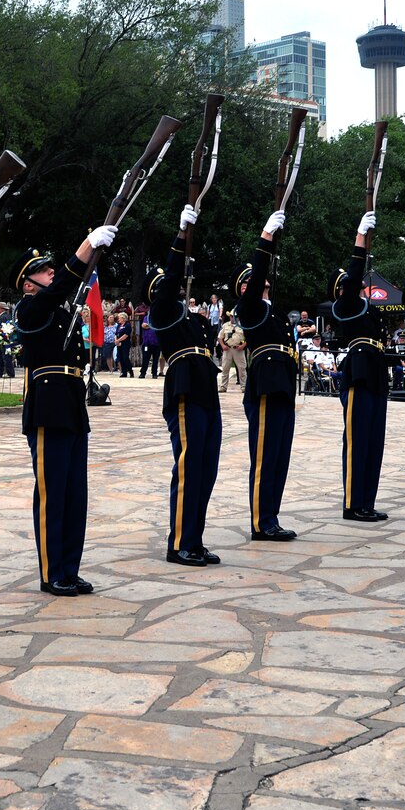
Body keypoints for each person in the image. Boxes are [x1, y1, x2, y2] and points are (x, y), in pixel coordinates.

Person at [14, 226, 111, 595]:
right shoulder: (31, 308)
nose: (50, 271)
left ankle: (70, 567)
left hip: (71, 403)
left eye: (50, 267)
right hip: (48, 406)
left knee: (74, 494)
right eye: (41, 270)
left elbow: (66, 289)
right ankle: (51, 571)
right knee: (53, 492)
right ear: (27, 284)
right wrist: (86, 246)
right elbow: (61, 286)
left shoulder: (58, 309)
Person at [154, 205, 223, 566]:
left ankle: (194, 539)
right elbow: (169, 283)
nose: (179, 290)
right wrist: (182, 236)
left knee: (206, 469)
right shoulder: (162, 312)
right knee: (189, 465)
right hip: (185, 389)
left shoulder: (190, 319)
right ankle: (179, 542)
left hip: (206, 389)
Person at [234, 209, 299, 539]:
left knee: (279, 457)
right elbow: (258, 274)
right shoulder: (250, 309)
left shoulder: (275, 312)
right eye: (251, 282)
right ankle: (261, 522)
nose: (261, 283)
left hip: (284, 386)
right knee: (264, 458)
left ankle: (271, 517)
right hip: (264, 386)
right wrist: (265, 238)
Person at [326, 211, 389, 521]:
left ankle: (367, 501)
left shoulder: (368, 310)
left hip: (376, 372)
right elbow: (352, 279)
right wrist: (359, 240)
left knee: (374, 442)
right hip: (360, 370)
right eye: (347, 286)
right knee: (357, 441)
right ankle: (353, 504)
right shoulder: (346, 306)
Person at [216, 309, 247, 392]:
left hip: (238, 350)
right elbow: (220, 337)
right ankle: (223, 387)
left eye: (235, 317)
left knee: (242, 369)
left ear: (238, 318)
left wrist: (243, 346)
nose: (233, 318)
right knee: (225, 368)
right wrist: (222, 345)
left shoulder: (243, 326)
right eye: (231, 316)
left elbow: (248, 338)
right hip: (228, 349)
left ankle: (244, 387)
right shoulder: (225, 325)